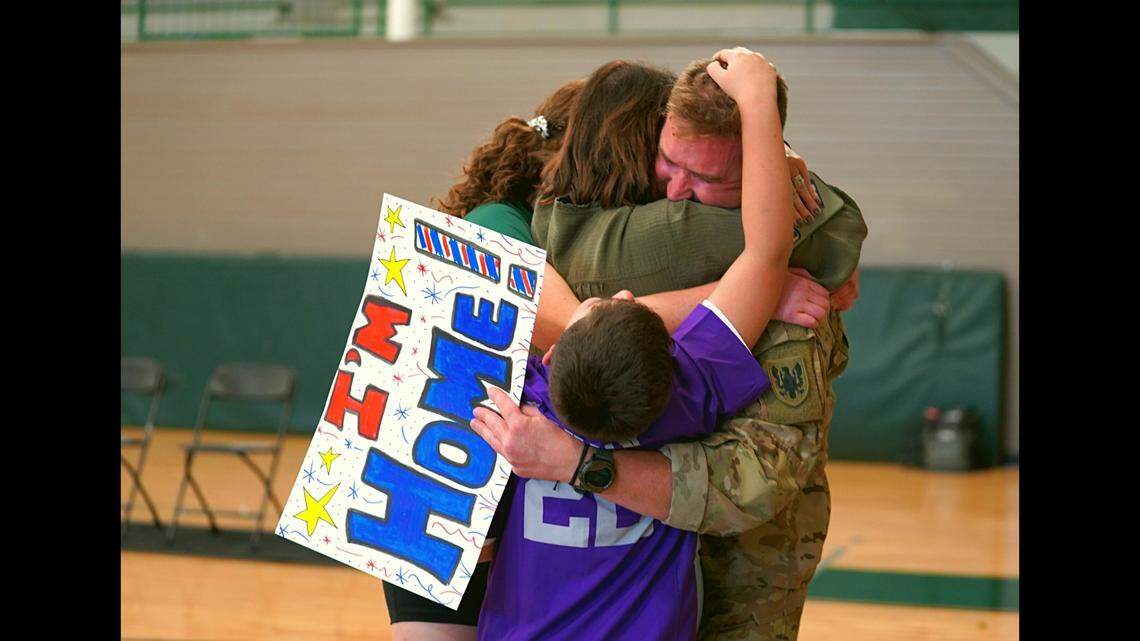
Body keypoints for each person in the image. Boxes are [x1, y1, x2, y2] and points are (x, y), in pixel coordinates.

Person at [384, 69, 833, 641]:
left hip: (454, 532)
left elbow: (579, 323)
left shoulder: (525, 403)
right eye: (669, 164)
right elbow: (764, 254)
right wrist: (767, 290)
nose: (675, 194)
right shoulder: (686, 386)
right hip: (446, 524)